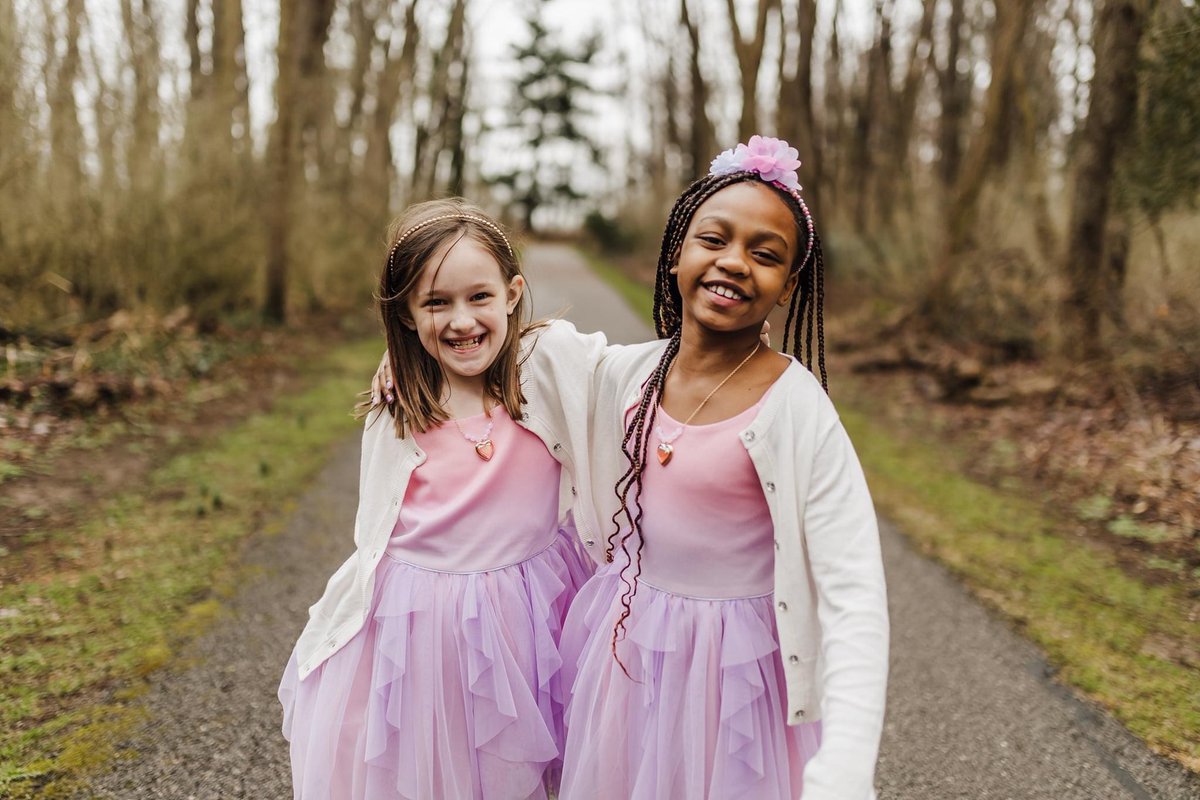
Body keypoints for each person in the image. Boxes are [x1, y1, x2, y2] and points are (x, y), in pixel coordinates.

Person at [558, 135, 890, 799]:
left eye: (765, 255)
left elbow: (854, 596)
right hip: (628, 663)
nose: (735, 262)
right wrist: (416, 363)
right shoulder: (626, 373)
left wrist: (844, 770)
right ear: (679, 251)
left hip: (738, 684)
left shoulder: (795, 410)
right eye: (715, 239)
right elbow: (527, 362)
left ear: (789, 287)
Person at [277, 199, 610, 800]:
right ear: (406, 314)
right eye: (435, 303)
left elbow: (636, 377)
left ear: (512, 293)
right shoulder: (400, 406)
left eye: (478, 297)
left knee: (527, 763)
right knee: (435, 764)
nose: (461, 321)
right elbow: (376, 529)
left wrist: (717, 340)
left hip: (529, 610)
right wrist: (401, 362)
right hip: (423, 626)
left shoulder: (546, 363)